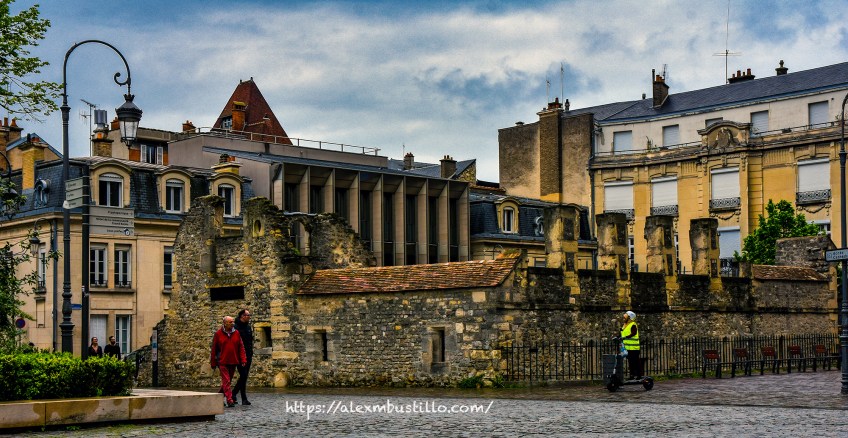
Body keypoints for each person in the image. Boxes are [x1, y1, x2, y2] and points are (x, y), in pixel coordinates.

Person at [210, 316, 246, 408]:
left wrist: (243, 359)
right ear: (225, 323)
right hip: (222, 361)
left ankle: (217, 398)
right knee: (226, 381)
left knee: (227, 381)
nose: (233, 323)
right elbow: (214, 348)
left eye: (233, 322)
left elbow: (240, 347)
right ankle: (230, 400)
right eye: (230, 322)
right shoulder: (218, 334)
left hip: (233, 360)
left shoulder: (236, 333)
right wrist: (213, 362)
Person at [231, 308, 254, 405]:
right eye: (248, 315)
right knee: (243, 375)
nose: (249, 317)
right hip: (239, 356)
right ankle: (238, 395)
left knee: (244, 376)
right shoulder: (235, 328)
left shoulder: (248, 327)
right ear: (242, 316)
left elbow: (250, 340)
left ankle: (236, 394)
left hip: (248, 354)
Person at [620, 310, 642, 380]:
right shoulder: (624, 325)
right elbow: (622, 333)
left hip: (634, 347)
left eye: (625, 317)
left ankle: (639, 375)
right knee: (630, 362)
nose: (624, 318)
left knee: (635, 361)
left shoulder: (633, 324)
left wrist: (627, 337)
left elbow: (634, 333)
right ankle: (632, 375)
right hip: (627, 347)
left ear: (630, 318)